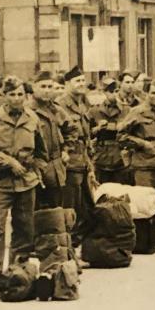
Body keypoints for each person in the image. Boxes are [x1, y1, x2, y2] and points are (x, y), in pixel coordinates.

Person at [0, 77, 44, 297]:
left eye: (20, 94)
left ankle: (17, 272)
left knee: (25, 227)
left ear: (25, 96)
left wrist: (35, 169)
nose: (16, 99)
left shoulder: (33, 118)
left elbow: (42, 152)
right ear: (4, 96)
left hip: (26, 182)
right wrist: (9, 162)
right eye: (12, 94)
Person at [119, 80, 155, 253]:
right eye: (153, 93)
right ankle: (144, 241)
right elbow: (121, 136)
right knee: (144, 202)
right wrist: (142, 143)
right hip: (144, 163)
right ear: (146, 94)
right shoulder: (137, 112)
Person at [57, 66, 98, 241]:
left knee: (87, 207)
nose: (81, 84)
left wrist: (89, 162)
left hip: (83, 161)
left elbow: (86, 136)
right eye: (77, 81)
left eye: (83, 80)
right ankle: (69, 243)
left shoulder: (83, 103)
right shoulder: (60, 105)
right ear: (67, 84)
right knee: (70, 206)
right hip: (70, 163)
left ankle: (80, 241)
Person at [29, 71, 68, 209]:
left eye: (50, 87)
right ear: (34, 87)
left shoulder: (56, 110)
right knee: (36, 213)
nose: (47, 90)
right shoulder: (27, 111)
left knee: (56, 213)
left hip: (56, 170)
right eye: (43, 86)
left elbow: (70, 130)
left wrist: (66, 150)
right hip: (35, 171)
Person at [90, 78, 130, 185]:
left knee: (120, 190)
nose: (114, 95)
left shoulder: (126, 110)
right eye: (110, 92)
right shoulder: (94, 111)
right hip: (101, 156)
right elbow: (88, 133)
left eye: (116, 91)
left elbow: (132, 131)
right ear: (104, 92)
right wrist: (97, 128)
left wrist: (115, 127)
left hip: (120, 156)